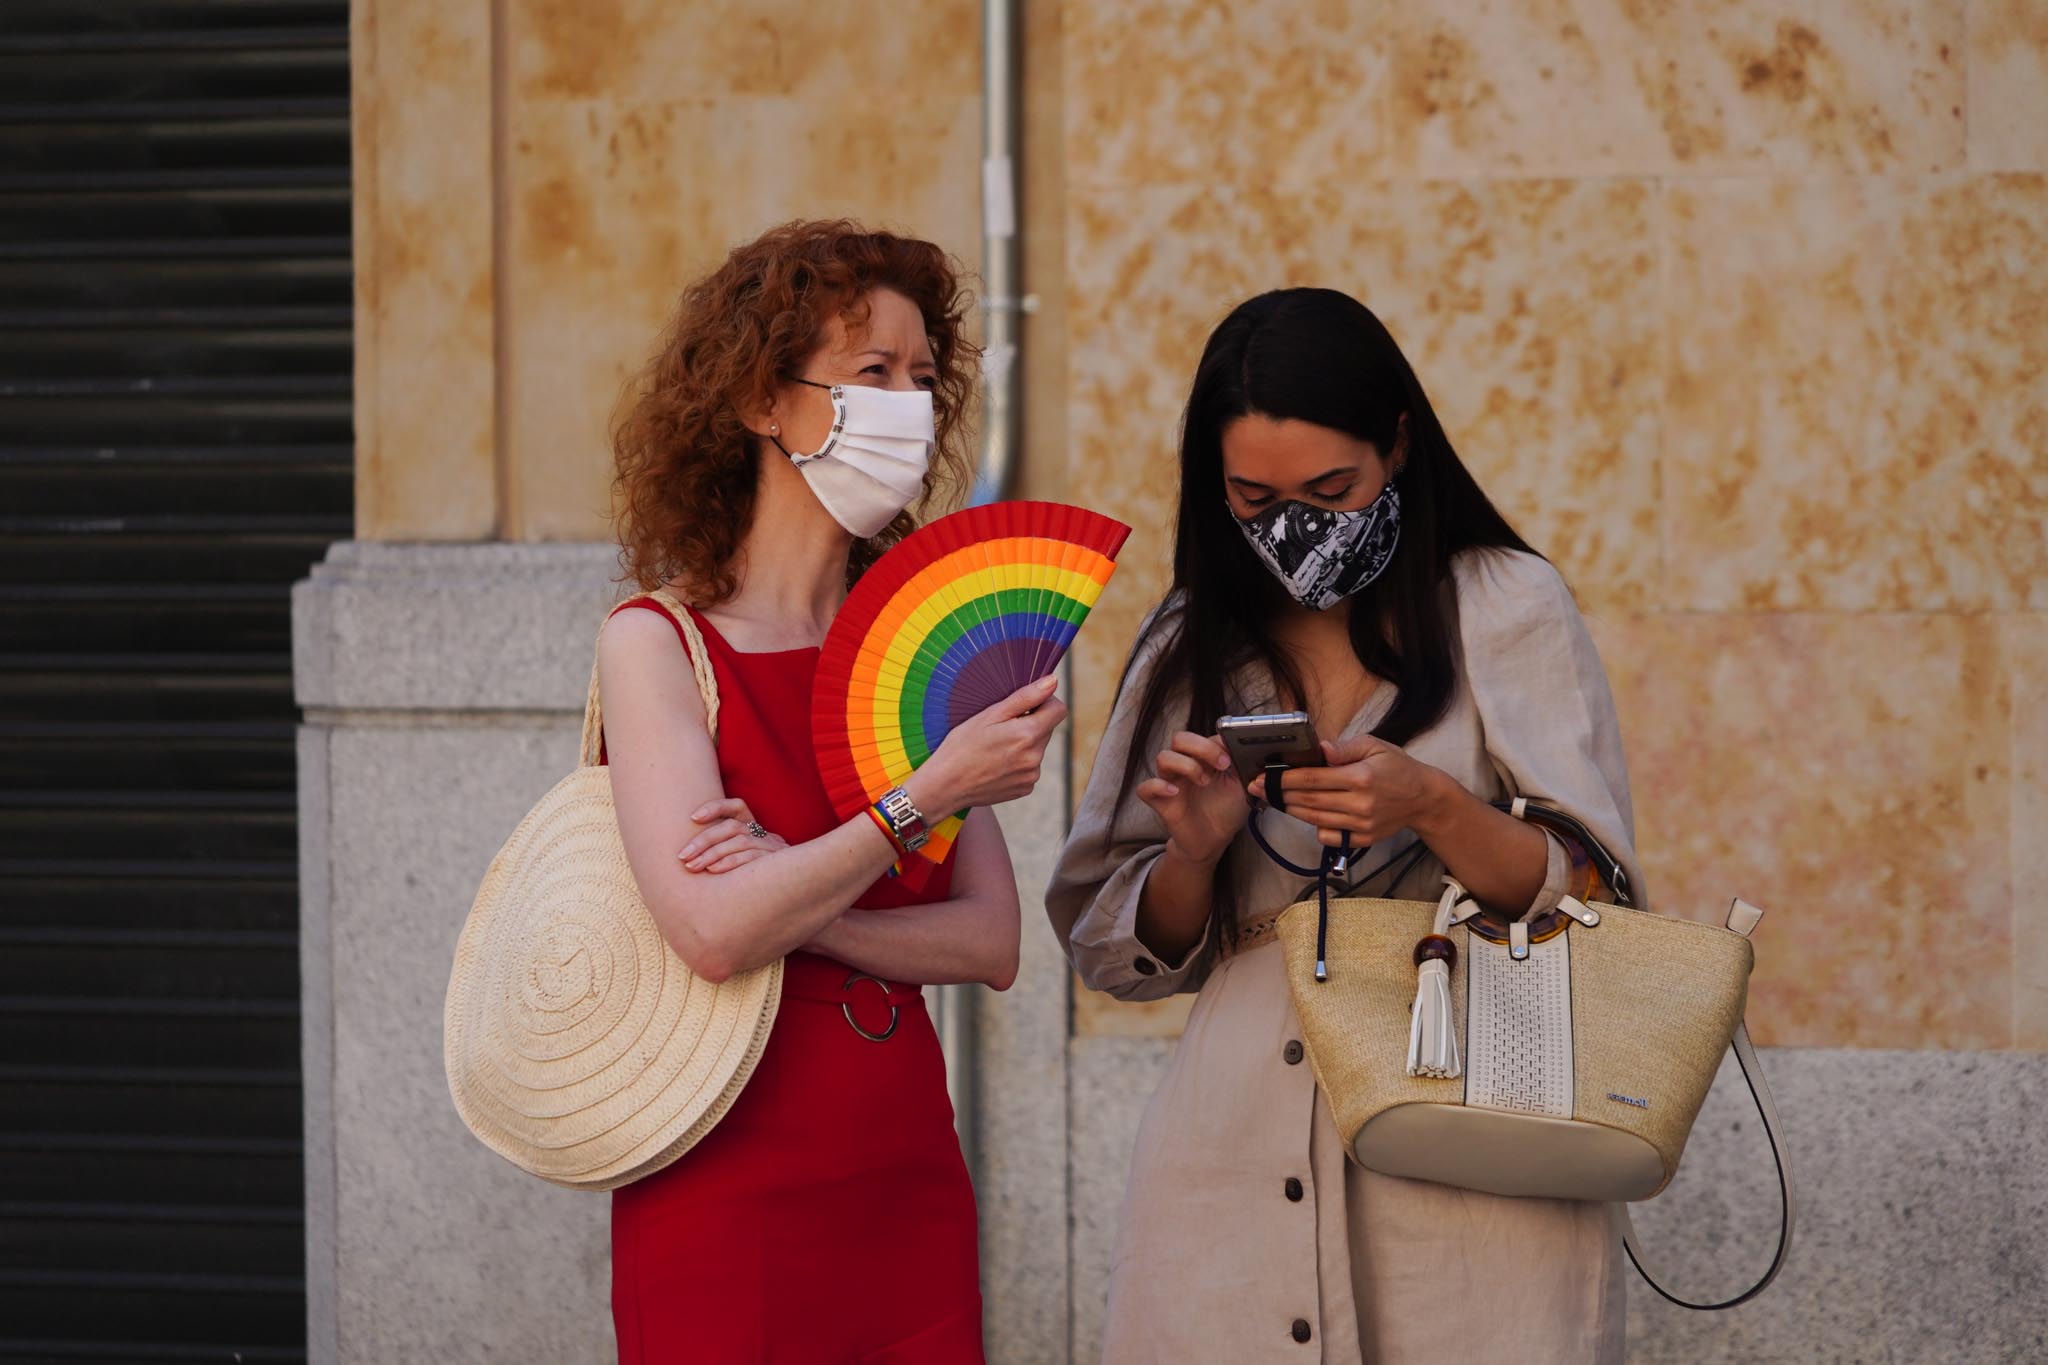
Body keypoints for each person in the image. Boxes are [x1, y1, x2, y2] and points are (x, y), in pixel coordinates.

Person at [1048, 287, 1647, 1362]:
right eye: (1253, 496)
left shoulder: (1503, 605)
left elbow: (1602, 899)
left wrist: (1431, 805)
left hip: (1469, 1165)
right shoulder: (1189, 641)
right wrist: (1192, 853)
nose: (1295, 526)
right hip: (1222, 1170)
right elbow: (1110, 948)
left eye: (1331, 489)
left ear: (1398, 449)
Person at [598, 220, 1063, 1363]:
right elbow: (709, 933)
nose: (908, 403)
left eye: (920, 376)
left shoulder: (917, 642)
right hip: (723, 1177)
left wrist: (801, 907)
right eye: (872, 373)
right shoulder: (656, 641)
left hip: (903, 1166)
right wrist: (919, 802)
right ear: (764, 400)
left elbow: (993, 940)